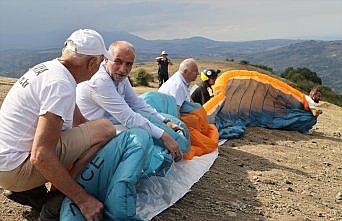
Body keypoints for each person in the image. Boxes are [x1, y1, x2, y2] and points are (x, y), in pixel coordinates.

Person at [0, 29, 117, 221]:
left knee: (95, 132)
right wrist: (83, 199)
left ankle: (30, 192)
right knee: (106, 128)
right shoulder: (60, 84)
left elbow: (80, 124)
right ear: (92, 63)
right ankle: (57, 202)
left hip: (6, 165)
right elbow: (41, 155)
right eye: (101, 62)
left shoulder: (52, 70)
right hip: (14, 170)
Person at [76, 41, 183, 160]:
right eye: (118, 61)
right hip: (93, 134)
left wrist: (165, 121)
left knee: (151, 122)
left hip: (112, 125)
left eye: (128, 64)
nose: (123, 69)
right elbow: (129, 118)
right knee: (142, 137)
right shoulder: (100, 81)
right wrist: (165, 136)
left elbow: (137, 104)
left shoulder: (119, 76)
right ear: (106, 59)